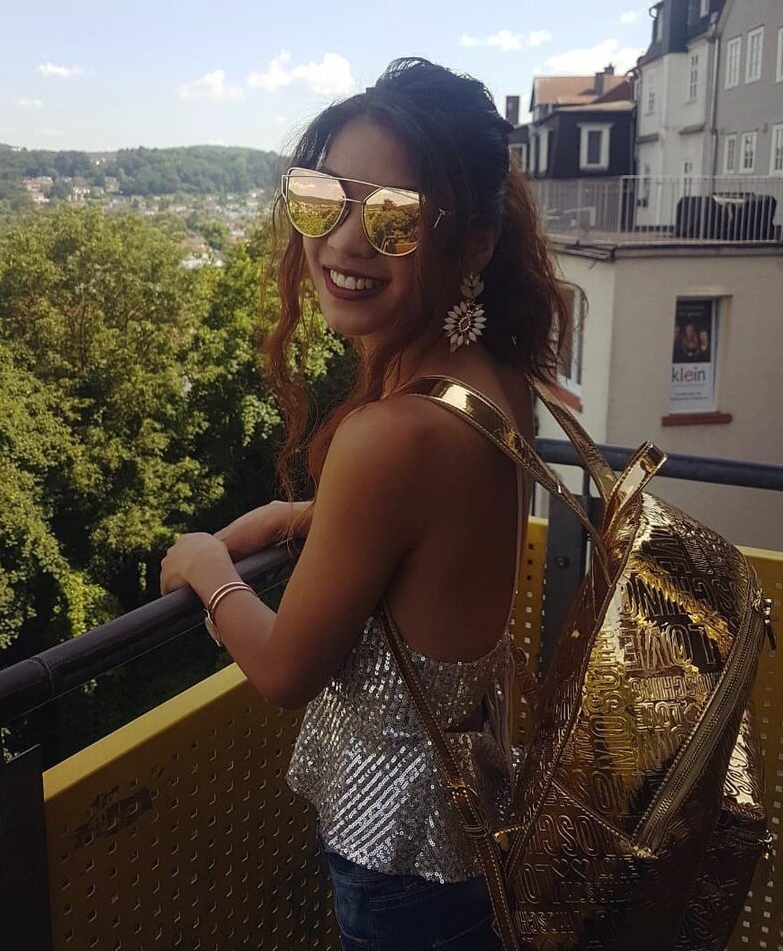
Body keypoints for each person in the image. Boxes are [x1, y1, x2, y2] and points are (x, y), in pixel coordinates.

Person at [160, 58, 568, 950]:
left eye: (393, 218)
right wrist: (313, 518)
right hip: (470, 827)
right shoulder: (495, 379)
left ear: (474, 244)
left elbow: (284, 673)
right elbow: (442, 533)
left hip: (399, 863)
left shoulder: (389, 436)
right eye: (323, 200)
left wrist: (204, 564)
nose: (344, 242)